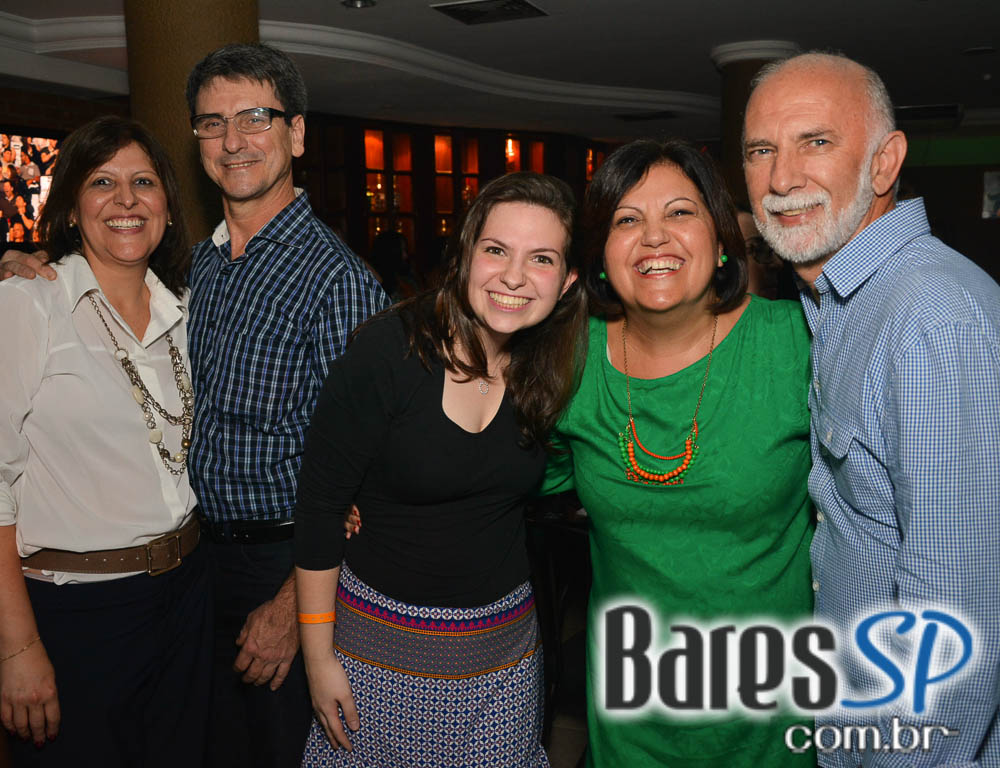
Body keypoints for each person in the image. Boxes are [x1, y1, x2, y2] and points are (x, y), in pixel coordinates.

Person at [0, 42, 390, 767]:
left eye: (254, 118)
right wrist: (25, 267)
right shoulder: (195, 274)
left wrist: (290, 608)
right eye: (212, 124)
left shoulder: (339, 282)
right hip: (191, 571)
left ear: (296, 134)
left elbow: (366, 476)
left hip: (287, 568)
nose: (233, 141)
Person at [743, 51, 1000, 767]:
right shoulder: (840, 302)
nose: (782, 178)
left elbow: (957, 615)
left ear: (884, 164)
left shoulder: (929, 315)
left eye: (815, 143)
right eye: (761, 150)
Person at [294, 171, 587, 766]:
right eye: (496, 250)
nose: (513, 276)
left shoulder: (558, 367)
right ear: (465, 256)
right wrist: (318, 657)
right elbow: (321, 508)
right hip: (375, 651)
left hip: (500, 655)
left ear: (567, 281)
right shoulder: (387, 351)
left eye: (541, 259)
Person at [541, 139, 815, 766]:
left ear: (722, 242)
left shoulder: (797, 344)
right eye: (627, 219)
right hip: (630, 719)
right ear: (601, 257)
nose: (654, 237)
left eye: (680, 213)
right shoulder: (566, 361)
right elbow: (505, 474)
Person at [0, 116, 211, 767]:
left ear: (168, 210)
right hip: (77, 613)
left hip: (188, 595)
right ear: (69, 209)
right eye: (103, 182)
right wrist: (16, 648)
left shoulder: (186, 311)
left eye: (143, 182)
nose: (126, 200)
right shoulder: (26, 306)